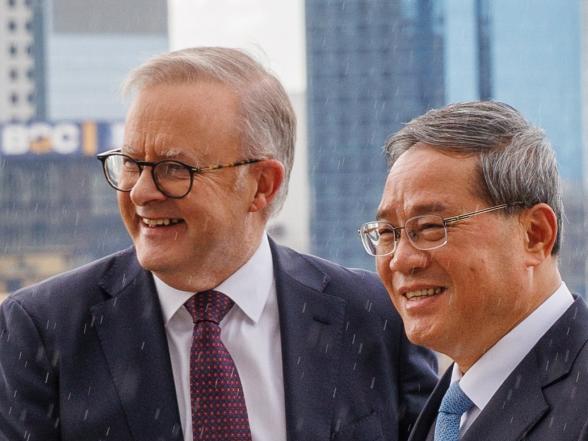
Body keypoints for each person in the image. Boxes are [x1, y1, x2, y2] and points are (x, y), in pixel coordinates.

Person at [0, 47, 437, 441]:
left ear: (261, 185)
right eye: (131, 164)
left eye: (173, 168)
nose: (140, 192)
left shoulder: (375, 316)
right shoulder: (41, 329)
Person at [358, 100, 588, 441]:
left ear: (535, 234)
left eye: (432, 227)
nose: (400, 260)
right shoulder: (446, 408)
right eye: (389, 233)